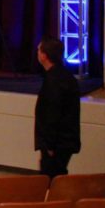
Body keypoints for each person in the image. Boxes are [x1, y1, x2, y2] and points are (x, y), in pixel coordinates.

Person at [34, 37, 81, 178]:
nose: (37, 53)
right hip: (65, 140)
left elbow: (52, 113)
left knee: (51, 178)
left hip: (57, 143)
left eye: (38, 50)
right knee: (57, 175)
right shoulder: (65, 76)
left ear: (44, 55)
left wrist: (49, 145)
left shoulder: (53, 80)